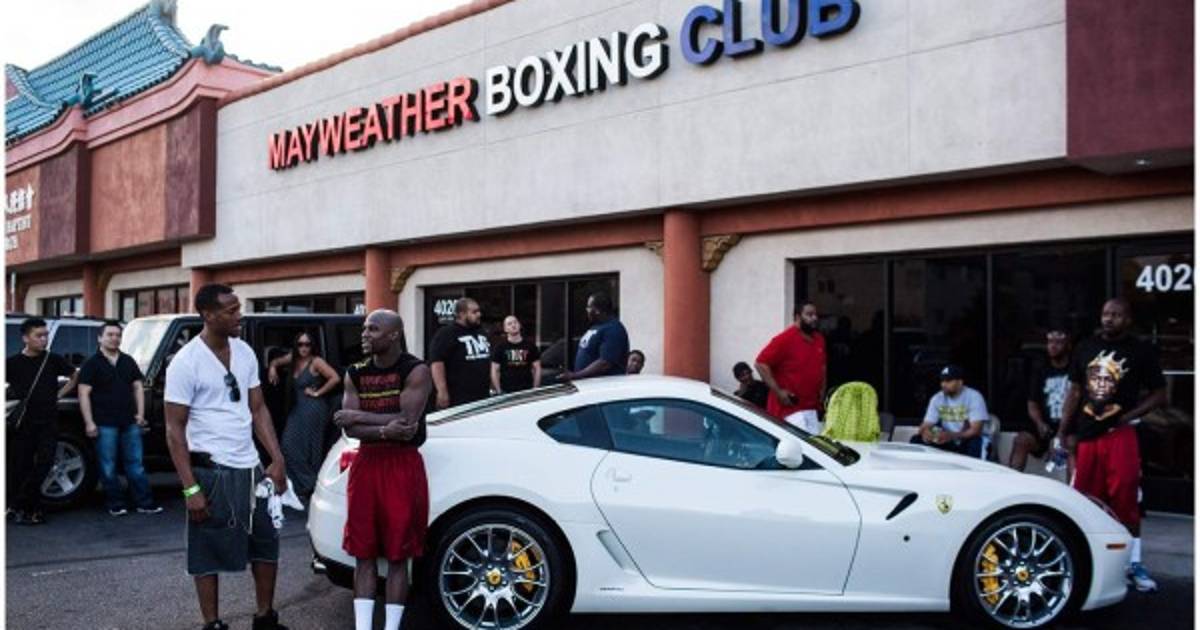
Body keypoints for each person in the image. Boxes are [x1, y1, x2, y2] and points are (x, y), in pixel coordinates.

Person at [163, 284, 289, 630]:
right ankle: (213, 624)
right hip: (211, 470)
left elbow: (258, 408)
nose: (239, 316)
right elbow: (174, 429)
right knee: (207, 550)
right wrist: (190, 488)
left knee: (266, 542)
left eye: (238, 308)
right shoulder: (186, 362)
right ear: (208, 315)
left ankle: (265, 618)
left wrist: (277, 459)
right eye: (231, 311)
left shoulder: (244, 351)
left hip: (251, 467)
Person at [1057, 298, 1166, 593]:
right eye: (1106, 313)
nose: (1109, 318)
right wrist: (1063, 430)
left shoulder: (1141, 350)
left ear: (1127, 319)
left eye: (1116, 315)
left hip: (1120, 435)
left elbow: (1159, 394)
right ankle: (1086, 563)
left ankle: (1134, 563)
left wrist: (1128, 416)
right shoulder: (1085, 347)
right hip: (1087, 436)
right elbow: (1075, 391)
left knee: (1126, 499)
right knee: (1084, 501)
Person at [333, 310, 432, 630]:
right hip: (366, 463)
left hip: (402, 464)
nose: (365, 334)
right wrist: (383, 429)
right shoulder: (355, 372)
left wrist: (360, 416)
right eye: (364, 328)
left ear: (393, 335)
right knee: (362, 552)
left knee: (398, 555)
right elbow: (349, 428)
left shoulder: (416, 369)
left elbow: (407, 423)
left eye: (373, 329)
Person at [78, 320, 162, 516]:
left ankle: (145, 503)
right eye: (110, 335)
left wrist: (140, 414)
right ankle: (116, 504)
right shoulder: (91, 363)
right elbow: (83, 393)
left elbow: (138, 387)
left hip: (129, 422)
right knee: (108, 467)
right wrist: (89, 423)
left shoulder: (127, 360)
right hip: (104, 423)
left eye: (118, 335)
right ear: (100, 338)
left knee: (136, 466)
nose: (114, 338)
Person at [5, 317, 78, 525]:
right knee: (21, 465)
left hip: (48, 420)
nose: (44, 339)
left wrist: (58, 395)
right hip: (23, 422)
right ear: (25, 338)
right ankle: (26, 508)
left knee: (45, 463)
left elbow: (74, 376)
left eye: (45, 335)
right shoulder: (12, 363)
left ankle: (21, 504)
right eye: (39, 336)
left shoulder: (52, 359)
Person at [266, 332, 341, 500]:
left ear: (312, 346)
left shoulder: (316, 362)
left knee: (307, 447)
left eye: (307, 344)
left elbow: (335, 378)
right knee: (288, 446)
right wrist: (272, 368)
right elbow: (276, 361)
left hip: (314, 409)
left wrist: (317, 393)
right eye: (300, 344)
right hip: (298, 408)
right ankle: (306, 484)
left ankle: (310, 485)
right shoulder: (293, 358)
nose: (304, 348)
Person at [754, 302, 826, 432]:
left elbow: (822, 366)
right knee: (801, 443)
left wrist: (822, 390)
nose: (815, 318)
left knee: (814, 443)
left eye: (816, 315)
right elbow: (760, 363)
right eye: (809, 315)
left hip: (811, 407)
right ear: (797, 317)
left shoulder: (819, 339)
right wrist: (779, 392)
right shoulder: (785, 339)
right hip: (791, 410)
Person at [1008, 328, 1071, 473]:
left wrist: (1061, 432)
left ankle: (1073, 487)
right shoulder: (1041, 370)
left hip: (1068, 427)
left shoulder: (1075, 369)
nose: (1053, 346)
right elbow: (1032, 403)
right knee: (1021, 440)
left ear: (1068, 345)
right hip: (1045, 427)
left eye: (1058, 342)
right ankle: (1012, 481)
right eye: (1050, 342)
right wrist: (1039, 423)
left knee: (1072, 443)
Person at [910, 365, 987, 457]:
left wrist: (951, 436)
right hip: (946, 439)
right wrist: (926, 433)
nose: (943, 384)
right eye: (942, 381)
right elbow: (927, 424)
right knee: (916, 439)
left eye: (948, 381)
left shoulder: (974, 397)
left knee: (974, 443)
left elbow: (976, 430)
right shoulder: (937, 398)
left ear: (960, 382)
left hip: (965, 439)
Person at [429, 298, 491, 409]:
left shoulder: (481, 331)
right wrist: (442, 391)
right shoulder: (446, 333)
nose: (479, 315)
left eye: (479, 311)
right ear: (462, 314)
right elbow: (437, 363)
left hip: (482, 396)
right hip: (458, 397)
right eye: (474, 312)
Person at [559, 292, 629, 381]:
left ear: (597, 310)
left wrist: (576, 375)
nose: (586, 310)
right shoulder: (597, 326)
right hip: (587, 384)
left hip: (602, 386)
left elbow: (605, 363)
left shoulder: (613, 329)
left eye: (589, 307)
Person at [490, 315, 543, 394]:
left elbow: (537, 368)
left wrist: (535, 388)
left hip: (527, 390)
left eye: (515, 322)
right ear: (505, 329)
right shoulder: (500, 347)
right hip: (506, 391)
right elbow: (494, 370)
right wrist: (499, 391)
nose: (513, 325)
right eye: (509, 324)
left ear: (519, 325)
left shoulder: (530, 345)